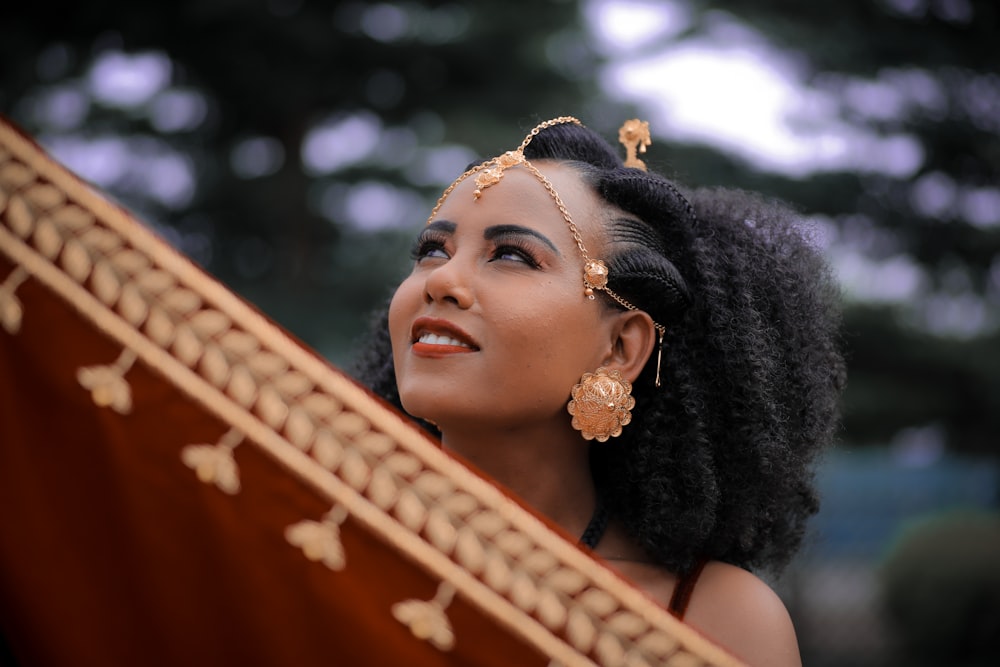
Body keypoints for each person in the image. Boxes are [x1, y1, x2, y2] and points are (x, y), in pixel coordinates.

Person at [351, 116, 846, 666]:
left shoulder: (718, 619)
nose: (439, 281)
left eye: (511, 255)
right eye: (433, 250)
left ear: (620, 349)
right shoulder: (312, 533)